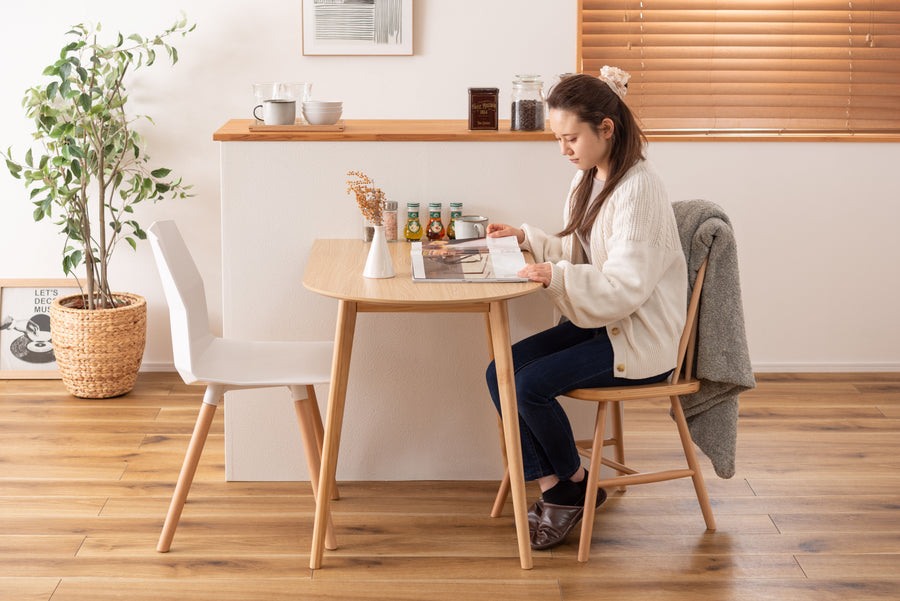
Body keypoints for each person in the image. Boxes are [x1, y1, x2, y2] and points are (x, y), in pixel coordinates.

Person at [485, 67, 687, 550]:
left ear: (606, 128)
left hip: (635, 334)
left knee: (529, 386)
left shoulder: (639, 189)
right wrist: (528, 239)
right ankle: (565, 486)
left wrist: (555, 276)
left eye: (571, 137)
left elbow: (625, 287)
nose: (564, 149)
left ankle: (567, 492)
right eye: (558, 139)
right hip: (604, 324)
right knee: (500, 372)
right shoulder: (591, 180)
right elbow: (582, 252)